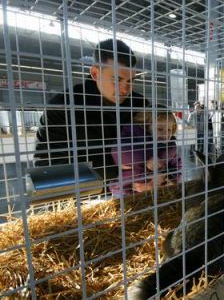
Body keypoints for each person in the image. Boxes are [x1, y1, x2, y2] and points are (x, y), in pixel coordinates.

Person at [34, 39, 148, 180]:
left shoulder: (140, 104)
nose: (125, 89)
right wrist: (118, 167)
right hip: (89, 196)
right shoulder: (62, 106)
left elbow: (165, 139)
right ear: (95, 73)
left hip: (137, 190)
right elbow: (46, 166)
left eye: (130, 80)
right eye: (117, 79)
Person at [110, 110, 181, 196]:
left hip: (156, 189)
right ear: (146, 126)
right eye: (160, 129)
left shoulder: (169, 146)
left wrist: (171, 179)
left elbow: (177, 165)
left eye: (169, 130)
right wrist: (147, 158)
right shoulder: (133, 134)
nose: (165, 133)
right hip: (126, 189)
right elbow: (121, 151)